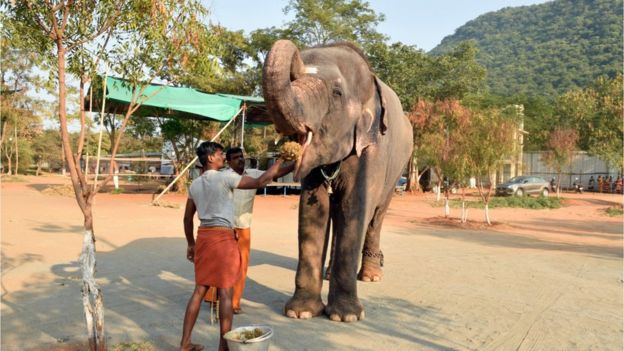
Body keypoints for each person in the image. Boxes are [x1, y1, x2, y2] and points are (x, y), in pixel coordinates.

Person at [180, 141, 285, 351]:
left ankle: (185, 343)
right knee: (226, 294)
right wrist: (281, 159)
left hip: (204, 238)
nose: (222, 157)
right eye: (220, 154)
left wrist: (191, 244)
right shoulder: (225, 177)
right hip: (223, 238)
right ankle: (223, 346)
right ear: (210, 158)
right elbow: (261, 181)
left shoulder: (195, 184)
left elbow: (187, 218)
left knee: (199, 291)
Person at [204, 148, 295, 314]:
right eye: (236, 158)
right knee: (219, 264)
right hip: (225, 228)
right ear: (228, 161)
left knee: (241, 266)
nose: (240, 160)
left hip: (244, 227)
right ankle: (212, 298)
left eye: (242, 157)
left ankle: (234, 303)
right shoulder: (223, 176)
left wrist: (294, 162)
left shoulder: (253, 173)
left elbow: (276, 173)